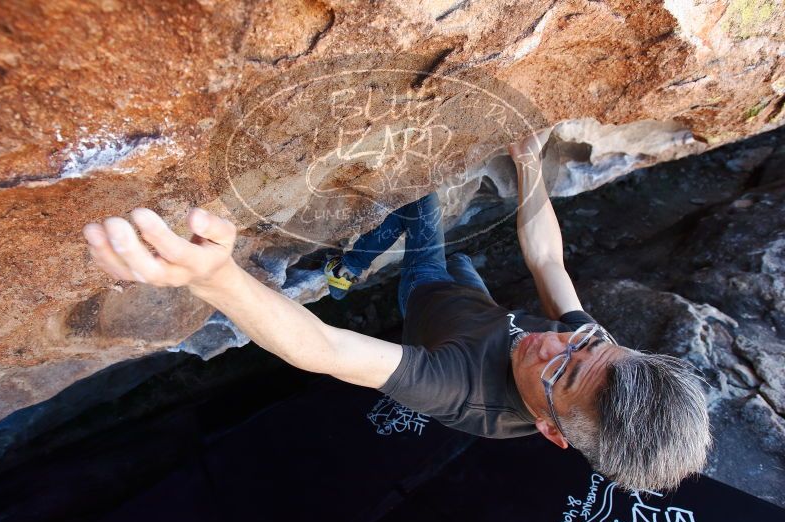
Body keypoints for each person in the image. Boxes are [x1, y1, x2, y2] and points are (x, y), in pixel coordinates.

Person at [83, 138, 711, 492]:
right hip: (478, 302)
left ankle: (348, 271)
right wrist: (528, 162)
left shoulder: (461, 391)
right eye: (588, 343)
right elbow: (548, 260)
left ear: (553, 431)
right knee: (459, 261)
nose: (558, 344)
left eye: (562, 375)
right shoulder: (584, 357)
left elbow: (325, 351)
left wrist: (215, 277)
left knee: (422, 207)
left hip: (430, 300)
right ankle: (353, 267)